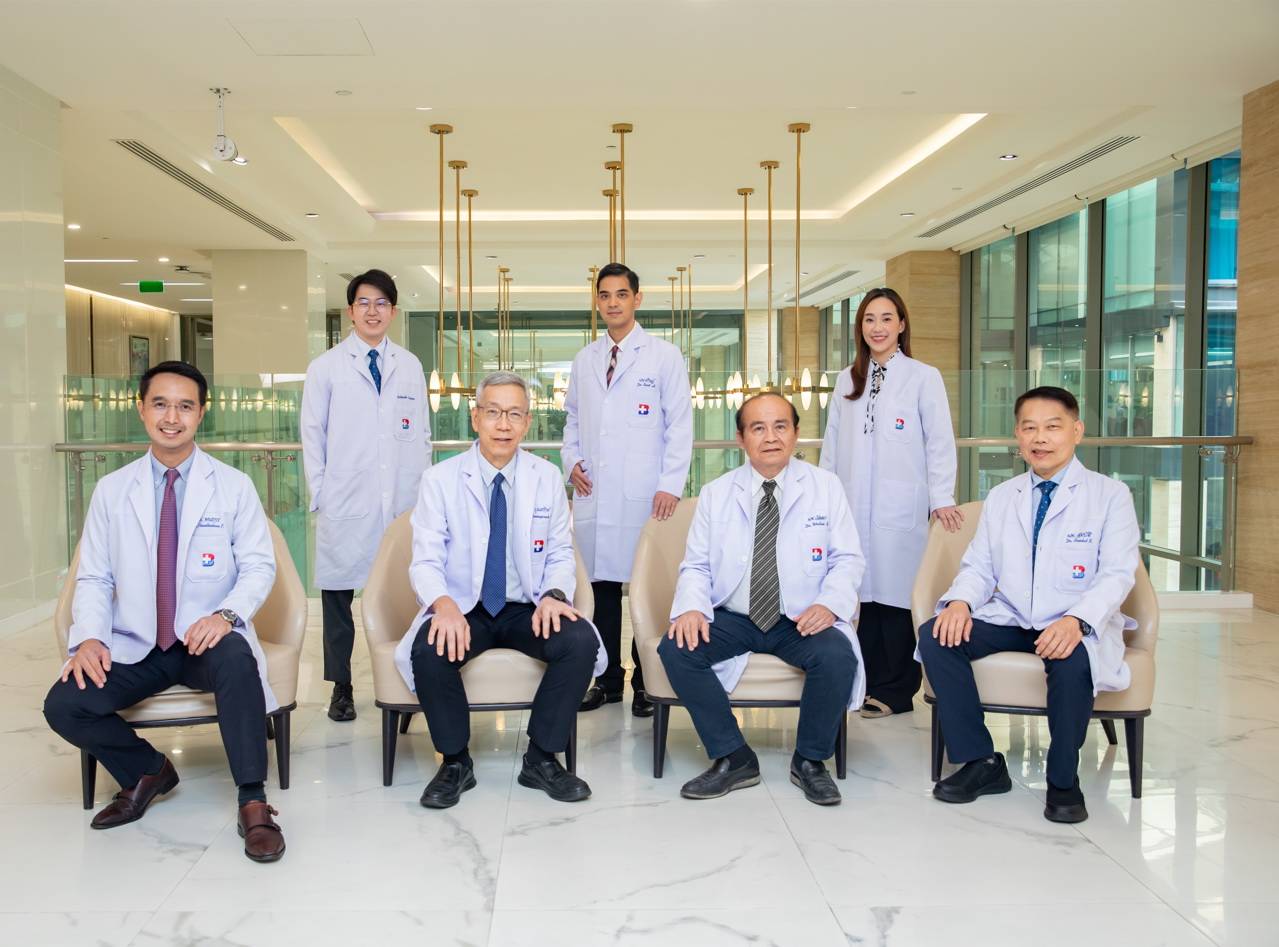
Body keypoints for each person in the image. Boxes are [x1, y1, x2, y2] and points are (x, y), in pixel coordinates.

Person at [43, 361, 286, 862]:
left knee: (237, 660)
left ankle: (253, 801)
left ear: (202, 413)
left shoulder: (233, 485)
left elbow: (259, 567)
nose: (171, 417)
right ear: (141, 409)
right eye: (160, 404)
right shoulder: (113, 490)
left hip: (203, 640)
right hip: (138, 642)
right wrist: (90, 638)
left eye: (184, 406)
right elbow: (94, 576)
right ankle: (146, 770)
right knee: (64, 703)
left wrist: (225, 616)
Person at [917, 386, 1140, 824]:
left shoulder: (1110, 495)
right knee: (937, 636)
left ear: (1076, 431)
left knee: (1072, 659)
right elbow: (980, 566)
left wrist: (1077, 620)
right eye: (1029, 428)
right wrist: (960, 602)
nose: (1040, 438)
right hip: (1013, 616)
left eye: (1052, 427)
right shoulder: (1004, 496)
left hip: (1069, 620)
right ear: (1017, 436)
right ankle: (981, 761)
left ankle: (1063, 780)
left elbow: (1117, 574)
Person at [394, 372, 606, 809]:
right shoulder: (440, 479)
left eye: (514, 414)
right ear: (476, 418)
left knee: (580, 641)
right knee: (429, 649)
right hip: (463, 606)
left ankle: (541, 758)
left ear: (527, 422)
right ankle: (455, 762)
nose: (503, 424)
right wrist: (443, 605)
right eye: (493, 412)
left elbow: (560, 553)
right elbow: (426, 560)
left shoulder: (546, 477)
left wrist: (554, 596)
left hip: (526, 606)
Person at [659, 393, 866, 806]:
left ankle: (810, 761)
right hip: (736, 615)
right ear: (741, 438)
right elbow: (696, 564)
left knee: (837, 656)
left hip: (799, 617)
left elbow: (848, 559)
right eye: (758, 428)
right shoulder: (717, 493)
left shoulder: (825, 487)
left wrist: (828, 604)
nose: (770, 437)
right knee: (676, 648)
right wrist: (692, 608)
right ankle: (734, 756)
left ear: (795, 433)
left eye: (780, 426)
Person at [819, 288, 961, 719]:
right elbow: (832, 444)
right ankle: (864, 683)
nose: (877, 327)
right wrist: (823, 494)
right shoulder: (847, 379)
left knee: (896, 599)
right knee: (860, 597)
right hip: (852, 503)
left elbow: (940, 442)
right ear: (860, 327)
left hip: (901, 505)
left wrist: (942, 498)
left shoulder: (923, 377)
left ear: (901, 325)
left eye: (886, 319)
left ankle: (896, 691)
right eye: (869, 319)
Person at [562, 262, 692, 718]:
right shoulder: (585, 359)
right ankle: (606, 679)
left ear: (637, 299)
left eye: (621, 294)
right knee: (599, 588)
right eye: (604, 295)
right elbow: (572, 419)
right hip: (595, 490)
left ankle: (645, 681)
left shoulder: (663, 356)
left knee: (642, 587)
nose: (612, 303)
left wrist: (670, 484)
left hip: (647, 494)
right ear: (596, 301)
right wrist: (571, 461)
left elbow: (680, 426)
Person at [301, 269, 431, 722]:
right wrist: (322, 493)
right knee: (339, 599)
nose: (372, 311)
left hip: (402, 501)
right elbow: (312, 436)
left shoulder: (409, 365)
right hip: (346, 499)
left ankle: (410, 676)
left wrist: (423, 496)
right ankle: (341, 686)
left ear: (393, 311)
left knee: (407, 593)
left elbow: (422, 436)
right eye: (364, 303)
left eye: (381, 303)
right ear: (350, 311)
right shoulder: (326, 368)